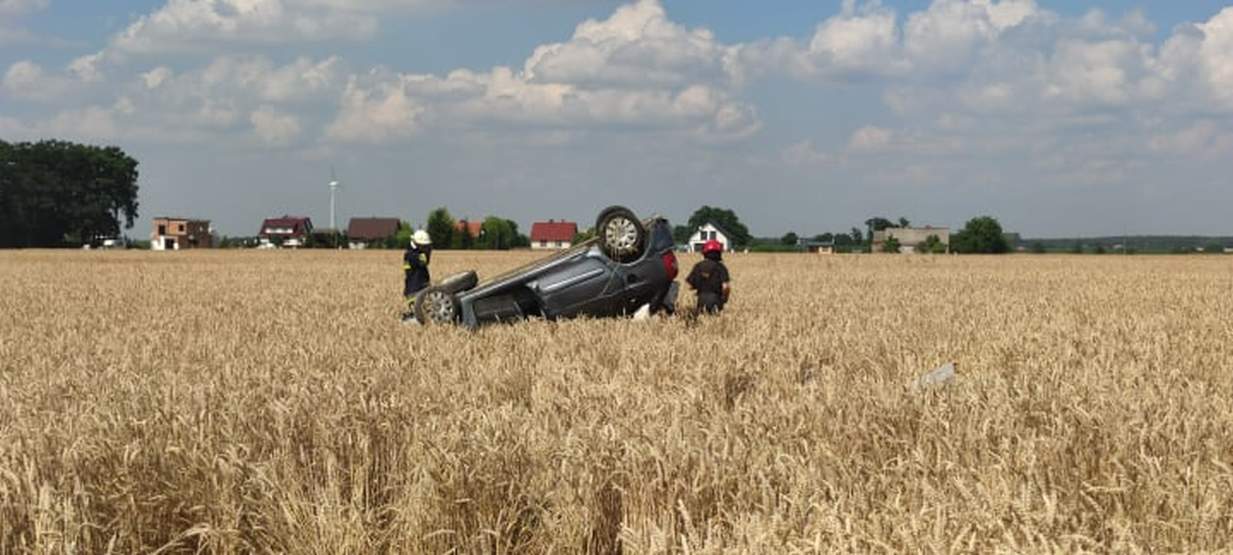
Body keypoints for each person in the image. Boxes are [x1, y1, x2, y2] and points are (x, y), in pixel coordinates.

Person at [686, 239, 730, 314]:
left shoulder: (698, 266)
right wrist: (725, 299)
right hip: (716, 299)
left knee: (702, 321)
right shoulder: (721, 267)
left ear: (704, 253)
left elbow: (690, 286)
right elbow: (725, 287)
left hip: (701, 299)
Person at [402, 230, 433, 322]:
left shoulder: (411, 253)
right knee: (419, 316)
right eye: (425, 246)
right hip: (415, 290)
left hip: (417, 288)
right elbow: (425, 261)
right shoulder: (412, 255)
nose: (427, 248)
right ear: (418, 244)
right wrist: (429, 252)